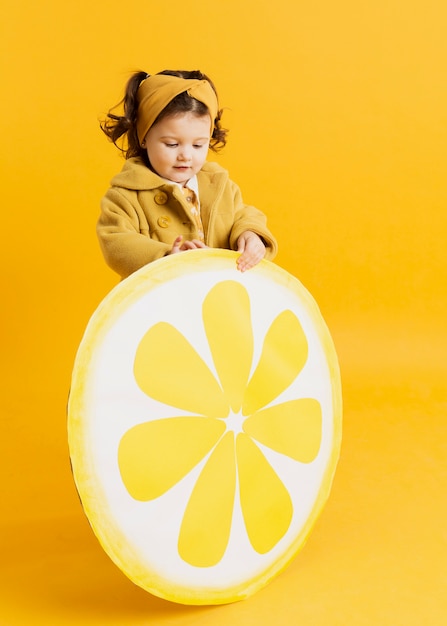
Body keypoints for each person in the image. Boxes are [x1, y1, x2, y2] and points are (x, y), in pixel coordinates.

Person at [97, 69, 278, 279]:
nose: (186, 155)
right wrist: (167, 257)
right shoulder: (126, 194)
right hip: (159, 299)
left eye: (198, 145)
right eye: (172, 144)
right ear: (143, 137)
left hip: (218, 296)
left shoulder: (218, 184)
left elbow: (243, 215)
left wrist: (250, 235)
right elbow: (115, 241)